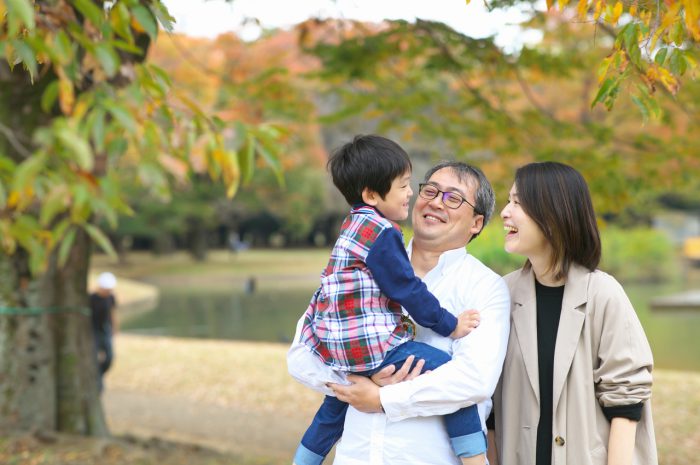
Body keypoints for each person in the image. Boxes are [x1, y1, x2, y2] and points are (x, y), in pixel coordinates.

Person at [288, 160, 511, 465]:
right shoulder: (360, 262)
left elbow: (473, 380)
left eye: (453, 198)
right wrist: (365, 372)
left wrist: (382, 399)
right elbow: (300, 356)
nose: (436, 202)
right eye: (430, 190)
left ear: (476, 223)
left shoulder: (485, 287)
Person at [489, 161, 657, 465]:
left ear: (552, 214)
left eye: (517, 202)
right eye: (508, 200)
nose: (504, 212)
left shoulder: (603, 294)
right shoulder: (502, 293)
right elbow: (488, 403)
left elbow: (626, 401)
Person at [89, 271, 118, 392]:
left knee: (109, 357)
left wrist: (115, 329)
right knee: (95, 358)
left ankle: (99, 375)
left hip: (105, 330)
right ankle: (98, 386)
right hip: (93, 331)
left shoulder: (111, 298)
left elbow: (113, 313)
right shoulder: (91, 299)